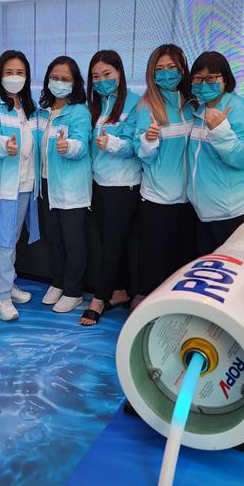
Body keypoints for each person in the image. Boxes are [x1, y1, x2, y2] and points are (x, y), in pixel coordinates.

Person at [80, 50, 141, 326]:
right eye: (95, 77)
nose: (101, 80)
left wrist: (113, 144)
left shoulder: (136, 103)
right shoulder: (95, 106)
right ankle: (119, 292)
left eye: (107, 74)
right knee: (105, 242)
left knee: (112, 246)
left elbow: (136, 147)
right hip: (98, 184)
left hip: (124, 186)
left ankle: (99, 298)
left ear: (119, 73)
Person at [132, 44, 198, 297]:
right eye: (159, 69)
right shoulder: (147, 106)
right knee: (154, 265)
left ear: (182, 69)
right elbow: (144, 156)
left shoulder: (193, 104)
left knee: (182, 264)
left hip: (190, 200)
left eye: (172, 68)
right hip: (157, 199)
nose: (166, 74)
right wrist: (149, 139)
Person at [0, 51, 40, 322]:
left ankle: (8, 283)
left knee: (13, 239)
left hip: (26, 183)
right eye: (9, 72)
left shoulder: (29, 107)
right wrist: (5, 146)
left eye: (20, 73)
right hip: (5, 186)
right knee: (4, 242)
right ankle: (1, 298)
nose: (14, 78)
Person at [187, 51, 244, 255]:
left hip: (233, 212)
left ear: (225, 79)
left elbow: (243, 158)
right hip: (204, 212)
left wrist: (220, 131)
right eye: (198, 79)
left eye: (211, 78)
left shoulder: (240, 110)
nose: (204, 84)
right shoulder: (199, 110)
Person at [37, 56, 92, 314]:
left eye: (65, 79)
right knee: (54, 239)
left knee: (73, 241)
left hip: (71, 188)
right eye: (55, 77)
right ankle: (57, 283)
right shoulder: (43, 111)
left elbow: (81, 144)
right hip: (47, 185)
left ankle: (74, 291)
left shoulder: (79, 111)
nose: (59, 83)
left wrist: (68, 147)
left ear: (75, 83)